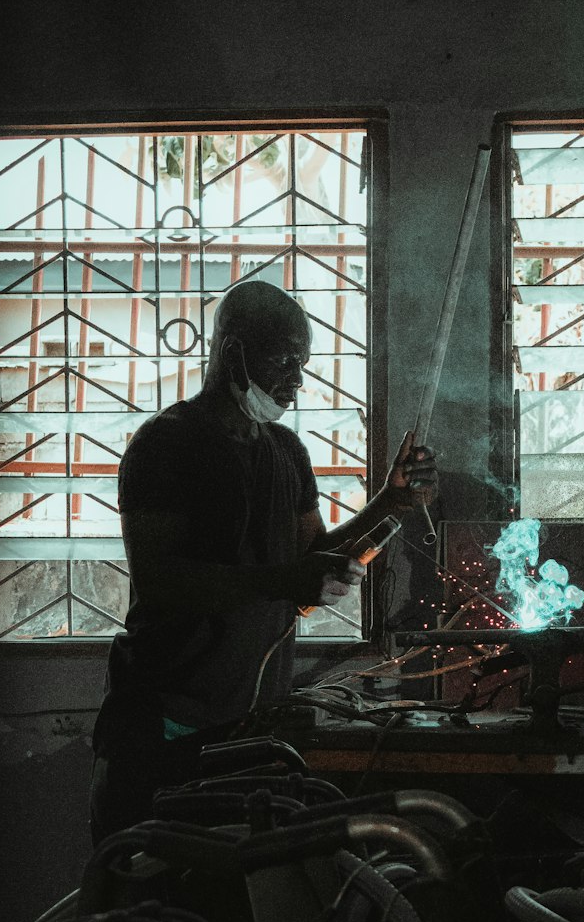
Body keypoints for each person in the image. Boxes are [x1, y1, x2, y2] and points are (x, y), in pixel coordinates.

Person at [90, 278, 436, 843]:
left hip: (251, 729)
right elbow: (160, 581)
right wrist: (286, 579)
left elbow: (312, 560)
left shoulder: (286, 452)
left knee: (241, 899)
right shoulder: (165, 445)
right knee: (149, 897)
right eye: (285, 360)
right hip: (166, 726)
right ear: (233, 353)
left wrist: (391, 501)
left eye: (304, 364)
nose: (297, 380)